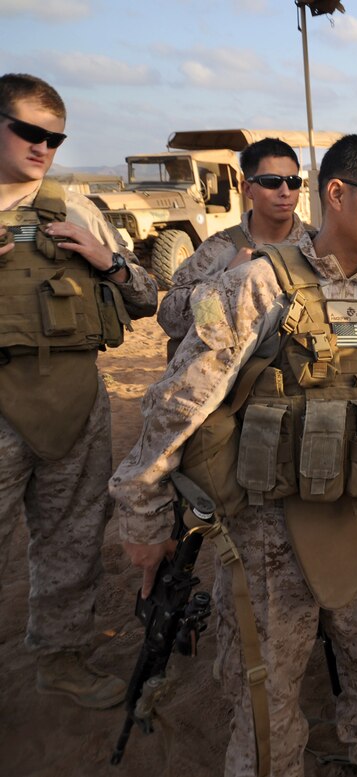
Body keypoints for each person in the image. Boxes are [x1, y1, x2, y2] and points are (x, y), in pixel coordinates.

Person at [112, 134, 357, 776]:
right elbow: (176, 402)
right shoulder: (252, 285)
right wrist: (142, 513)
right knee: (264, 686)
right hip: (268, 526)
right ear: (336, 193)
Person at [0, 73, 158, 710]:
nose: (44, 148)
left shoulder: (77, 210)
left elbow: (146, 297)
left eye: (55, 138)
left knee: (72, 537)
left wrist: (107, 260)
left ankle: (61, 659)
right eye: (30, 133)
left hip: (74, 396)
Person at [157, 137, 310, 357]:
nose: (285, 191)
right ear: (247, 189)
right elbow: (171, 320)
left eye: (293, 181)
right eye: (271, 182)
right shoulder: (218, 249)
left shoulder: (316, 246)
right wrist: (225, 281)